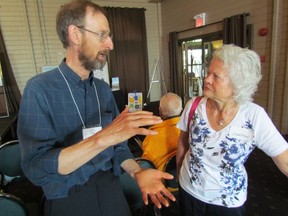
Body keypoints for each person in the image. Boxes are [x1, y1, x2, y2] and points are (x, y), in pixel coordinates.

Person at [17, 1, 175, 216]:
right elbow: (36, 168)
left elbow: (118, 148)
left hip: (111, 190)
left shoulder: (102, 89)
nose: (110, 44)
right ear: (75, 34)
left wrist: (137, 172)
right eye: (102, 35)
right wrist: (101, 139)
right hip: (67, 198)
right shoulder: (40, 89)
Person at [176, 44, 288, 216]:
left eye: (216, 76)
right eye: (208, 73)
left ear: (237, 85)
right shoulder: (194, 105)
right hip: (189, 191)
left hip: (227, 201)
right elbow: (183, 142)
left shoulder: (253, 116)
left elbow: (285, 160)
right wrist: (179, 175)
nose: (206, 79)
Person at [141, 92, 182, 171]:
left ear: (160, 111)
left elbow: (146, 164)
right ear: (182, 110)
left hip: (161, 180)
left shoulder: (152, 135)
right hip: (185, 177)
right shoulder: (190, 130)